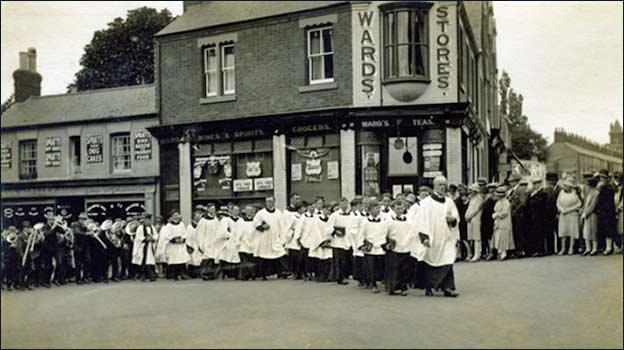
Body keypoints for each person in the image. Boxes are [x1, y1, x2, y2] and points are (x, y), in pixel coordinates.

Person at [411, 175, 460, 297]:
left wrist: (453, 219)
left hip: (446, 237)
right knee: (430, 261)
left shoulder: (449, 202)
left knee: (448, 259)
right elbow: (421, 221)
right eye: (440, 185)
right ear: (434, 186)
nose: (443, 187)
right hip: (432, 237)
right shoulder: (426, 203)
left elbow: (455, 217)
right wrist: (424, 238)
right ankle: (429, 286)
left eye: (444, 185)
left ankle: (448, 287)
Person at [253, 196, 288, 280]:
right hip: (265, 238)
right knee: (264, 257)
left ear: (274, 202)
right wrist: (262, 226)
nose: (268, 203)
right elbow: (255, 223)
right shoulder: (261, 213)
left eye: (270, 201)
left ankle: (282, 272)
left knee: (280, 254)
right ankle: (263, 274)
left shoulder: (278, 213)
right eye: (267, 201)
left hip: (275, 238)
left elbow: (282, 226)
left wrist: (283, 239)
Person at [384, 200, 413, 296]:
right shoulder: (389, 221)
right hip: (394, 247)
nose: (399, 210)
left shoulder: (408, 220)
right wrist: (387, 243)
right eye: (397, 208)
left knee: (405, 268)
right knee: (394, 268)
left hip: (405, 247)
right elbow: (384, 233)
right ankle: (393, 287)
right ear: (393, 209)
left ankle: (403, 287)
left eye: (401, 208)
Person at [359, 199, 386, 293]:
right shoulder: (365, 222)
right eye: (376, 208)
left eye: (379, 208)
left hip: (381, 247)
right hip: (370, 247)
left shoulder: (383, 221)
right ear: (370, 210)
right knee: (371, 266)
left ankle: (382, 281)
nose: (378, 210)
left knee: (381, 266)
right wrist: (362, 245)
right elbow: (360, 235)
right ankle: (373, 283)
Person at [156, 210, 190, 280]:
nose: (176, 216)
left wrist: (182, 239)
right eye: (175, 215)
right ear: (172, 216)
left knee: (181, 259)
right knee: (173, 260)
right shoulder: (168, 226)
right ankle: (173, 274)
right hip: (173, 246)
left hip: (180, 245)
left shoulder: (181, 224)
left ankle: (183, 274)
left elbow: (185, 233)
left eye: (177, 215)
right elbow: (167, 236)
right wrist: (174, 239)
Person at [327, 197, 352, 285]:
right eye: (342, 203)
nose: (344, 205)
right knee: (339, 260)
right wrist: (335, 231)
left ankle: (344, 275)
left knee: (346, 260)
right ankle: (339, 277)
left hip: (347, 240)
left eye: (346, 203)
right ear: (340, 204)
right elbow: (328, 227)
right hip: (338, 241)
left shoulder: (351, 215)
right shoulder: (335, 215)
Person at [594, 169, 619, 255]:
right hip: (603, 211)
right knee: (603, 229)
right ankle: (605, 247)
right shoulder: (602, 186)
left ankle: (608, 248)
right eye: (600, 177)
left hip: (607, 211)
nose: (601, 179)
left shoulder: (607, 187)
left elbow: (607, 201)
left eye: (603, 177)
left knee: (608, 229)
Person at [307, 204, 333, 282]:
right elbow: (315, 232)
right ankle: (320, 276)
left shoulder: (330, 220)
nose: (327, 212)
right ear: (322, 210)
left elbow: (331, 230)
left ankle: (328, 276)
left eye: (329, 210)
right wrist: (322, 242)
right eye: (326, 210)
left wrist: (329, 241)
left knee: (328, 260)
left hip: (328, 243)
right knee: (320, 260)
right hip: (320, 244)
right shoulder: (317, 220)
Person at [556, 177, 583, 255]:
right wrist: (561, 209)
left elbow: (579, 204)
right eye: (565, 185)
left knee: (572, 231)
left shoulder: (575, 193)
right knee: (563, 231)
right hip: (563, 214)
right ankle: (563, 248)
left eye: (567, 185)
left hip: (572, 214)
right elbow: (558, 202)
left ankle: (571, 248)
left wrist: (569, 209)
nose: (566, 187)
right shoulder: (561, 193)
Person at [217, 205, 243, 279]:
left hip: (237, 241)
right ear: (231, 211)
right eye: (234, 210)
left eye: (237, 210)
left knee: (237, 258)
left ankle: (236, 274)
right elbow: (222, 231)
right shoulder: (226, 220)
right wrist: (230, 235)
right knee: (226, 257)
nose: (236, 212)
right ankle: (225, 273)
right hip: (229, 241)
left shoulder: (241, 220)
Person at [526, 176, 548, 257]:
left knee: (540, 233)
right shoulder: (531, 193)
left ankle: (541, 250)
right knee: (534, 233)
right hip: (532, 216)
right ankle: (535, 250)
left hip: (540, 216)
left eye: (537, 184)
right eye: (534, 184)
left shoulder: (543, 193)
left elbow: (538, 203)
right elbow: (527, 204)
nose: (535, 185)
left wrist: (532, 197)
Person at [132, 214, 159, 281]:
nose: (148, 221)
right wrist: (145, 238)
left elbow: (156, 235)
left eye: (149, 220)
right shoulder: (140, 228)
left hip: (150, 246)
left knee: (150, 261)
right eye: (147, 220)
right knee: (144, 260)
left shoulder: (152, 227)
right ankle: (143, 275)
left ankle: (150, 275)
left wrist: (152, 238)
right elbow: (138, 237)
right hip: (143, 247)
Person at [283, 195, 303, 279]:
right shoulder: (287, 212)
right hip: (292, 235)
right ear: (291, 199)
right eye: (296, 199)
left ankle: (300, 272)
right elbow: (285, 224)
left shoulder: (301, 212)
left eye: (299, 198)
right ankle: (293, 272)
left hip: (300, 236)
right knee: (293, 255)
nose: (298, 200)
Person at [492, 185, 514, 260]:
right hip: (498, 222)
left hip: (504, 222)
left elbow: (505, 213)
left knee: (503, 237)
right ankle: (500, 252)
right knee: (498, 237)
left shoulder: (506, 202)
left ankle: (504, 253)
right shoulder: (498, 202)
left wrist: (497, 215)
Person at [509, 177, 529, 258]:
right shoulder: (512, 190)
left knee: (520, 232)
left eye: (512, 181)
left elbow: (523, 202)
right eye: (510, 181)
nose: (511, 183)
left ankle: (522, 250)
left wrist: (516, 211)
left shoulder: (520, 189)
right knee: (516, 232)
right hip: (513, 214)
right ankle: (518, 250)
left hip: (519, 214)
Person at [237, 205, 258, 281]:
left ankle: (252, 274)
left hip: (253, 244)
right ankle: (244, 275)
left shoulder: (255, 222)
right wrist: (239, 241)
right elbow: (238, 233)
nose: (249, 212)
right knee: (244, 260)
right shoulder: (240, 222)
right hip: (243, 244)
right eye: (247, 210)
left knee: (252, 260)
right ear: (245, 211)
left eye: (251, 211)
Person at [70, 213, 91, 284]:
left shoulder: (86, 225)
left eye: (85, 219)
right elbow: (76, 232)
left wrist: (90, 229)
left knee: (87, 261)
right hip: (78, 246)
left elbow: (90, 232)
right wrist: (86, 233)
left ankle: (85, 277)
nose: (84, 220)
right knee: (78, 263)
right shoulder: (75, 224)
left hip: (85, 246)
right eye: (83, 219)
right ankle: (78, 279)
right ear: (80, 219)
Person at [581, 177, 600, 256]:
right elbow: (586, 204)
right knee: (586, 231)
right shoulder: (589, 193)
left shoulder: (596, 193)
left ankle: (594, 249)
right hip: (587, 213)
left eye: (588, 184)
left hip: (592, 214)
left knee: (593, 230)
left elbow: (593, 205)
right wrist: (583, 211)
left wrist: (586, 213)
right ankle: (588, 248)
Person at [465, 183, 484, 262]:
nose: (470, 192)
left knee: (477, 237)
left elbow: (476, 209)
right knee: (472, 237)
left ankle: (477, 254)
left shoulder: (479, 198)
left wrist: (469, 216)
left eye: (471, 190)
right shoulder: (472, 198)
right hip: (470, 220)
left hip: (476, 218)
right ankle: (475, 253)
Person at [543, 172, 561, 256]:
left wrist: (558, 212)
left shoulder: (560, 189)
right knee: (549, 232)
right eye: (550, 181)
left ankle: (560, 248)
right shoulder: (545, 190)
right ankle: (550, 250)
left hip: (557, 213)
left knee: (559, 232)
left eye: (553, 180)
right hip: (548, 214)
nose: (551, 182)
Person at [481, 183, 497, 260]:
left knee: (490, 236)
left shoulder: (492, 199)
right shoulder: (487, 198)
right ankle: (489, 252)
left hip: (490, 219)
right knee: (487, 236)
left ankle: (492, 252)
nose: (491, 190)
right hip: (486, 219)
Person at [454, 184, 470, 261]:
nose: (460, 191)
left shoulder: (467, 199)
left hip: (464, 220)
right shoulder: (458, 200)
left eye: (461, 189)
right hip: (459, 220)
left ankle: (468, 253)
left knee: (464, 238)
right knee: (459, 239)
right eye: (459, 190)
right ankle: (460, 254)